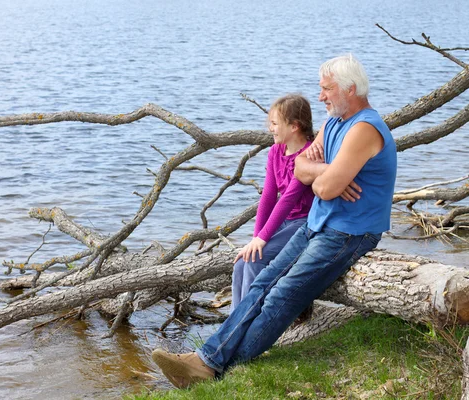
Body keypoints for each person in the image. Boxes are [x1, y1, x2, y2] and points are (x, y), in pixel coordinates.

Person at [152, 54, 397, 389]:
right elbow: (301, 170)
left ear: (349, 88)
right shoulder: (332, 124)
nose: (321, 96)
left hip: (349, 233)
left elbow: (323, 189)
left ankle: (216, 368)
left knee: (282, 295)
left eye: (327, 89)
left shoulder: (364, 129)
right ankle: (206, 362)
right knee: (261, 283)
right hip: (318, 224)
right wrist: (330, 170)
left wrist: (323, 175)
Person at [231, 94, 315, 311]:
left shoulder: (310, 155)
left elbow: (288, 199)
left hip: (304, 222)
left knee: (253, 262)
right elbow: (268, 197)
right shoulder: (275, 151)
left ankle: (248, 325)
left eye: (275, 123)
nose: (271, 128)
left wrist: (262, 239)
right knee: (242, 263)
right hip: (285, 221)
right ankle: (233, 324)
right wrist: (256, 239)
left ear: (295, 126)